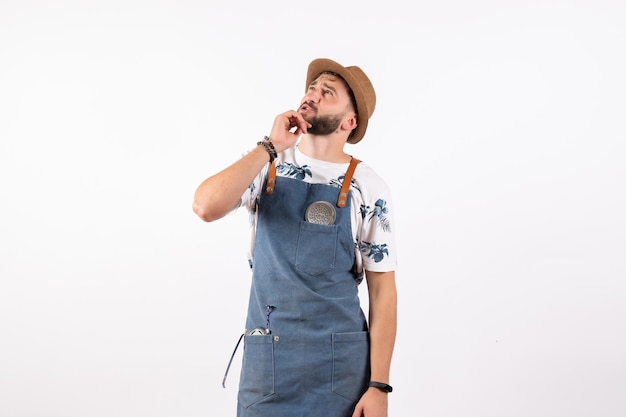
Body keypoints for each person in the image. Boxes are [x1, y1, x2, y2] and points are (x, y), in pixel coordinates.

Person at [192, 58, 397, 417]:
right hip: (269, 364)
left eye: (327, 92)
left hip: (341, 372)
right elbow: (205, 206)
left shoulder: (369, 186)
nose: (313, 95)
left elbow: (382, 291)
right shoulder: (266, 163)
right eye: (312, 88)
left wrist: (379, 386)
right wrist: (269, 145)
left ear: (350, 122)